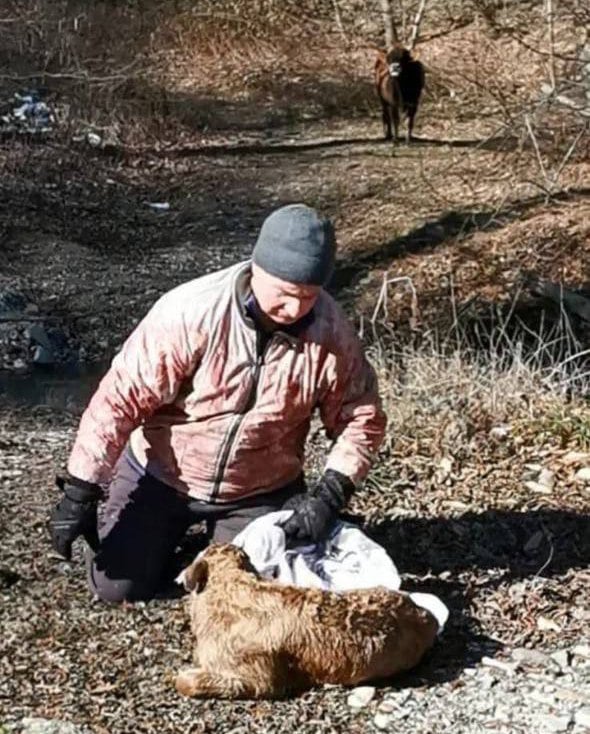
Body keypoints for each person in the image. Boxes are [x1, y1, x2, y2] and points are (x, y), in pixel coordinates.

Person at [48, 204, 386, 603]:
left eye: (308, 297)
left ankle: (222, 544)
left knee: (248, 596)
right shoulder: (191, 311)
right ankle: (152, 536)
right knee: (117, 587)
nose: (295, 309)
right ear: (257, 269)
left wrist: (330, 495)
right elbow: (118, 400)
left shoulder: (332, 333)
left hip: (258, 487)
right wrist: (81, 490)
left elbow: (360, 416)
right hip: (163, 476)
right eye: (285, 294)